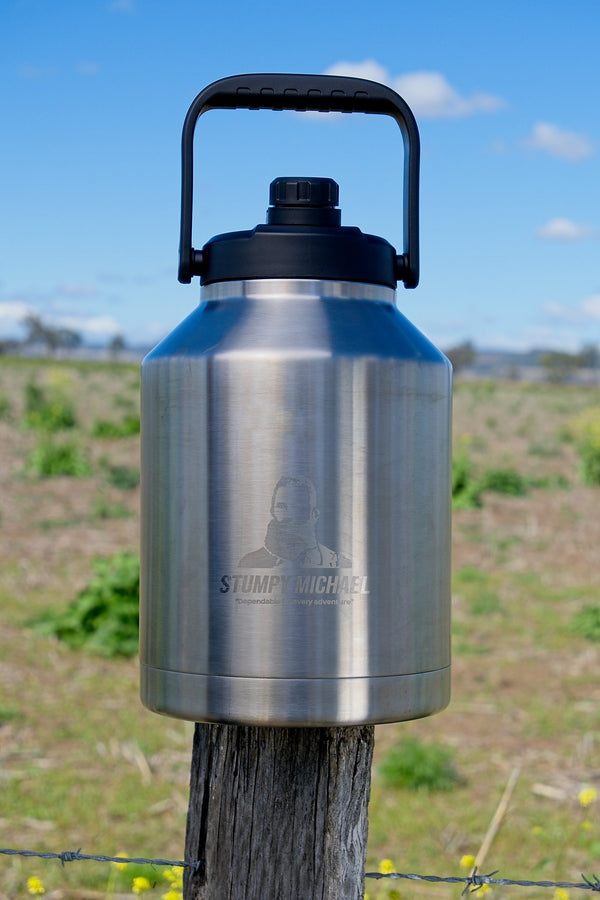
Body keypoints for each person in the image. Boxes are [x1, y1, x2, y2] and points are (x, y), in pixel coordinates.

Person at [239, 476, 350, 568]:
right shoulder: (249, 563)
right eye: (281, 507)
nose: (288, 516)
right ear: (272, 511)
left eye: (297, 508)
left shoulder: (341, 564)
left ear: (314, 514)